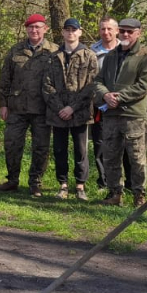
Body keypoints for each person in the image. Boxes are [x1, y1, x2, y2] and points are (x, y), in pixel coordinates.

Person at [93, 17, 147, 208]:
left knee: (136, 157)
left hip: (133, 115)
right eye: (123, 31)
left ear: (138, 33)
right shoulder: (111, 55)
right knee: (111, 155)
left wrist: (118, 97)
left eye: (130, 31)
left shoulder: (146, 56)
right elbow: (97, 81)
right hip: (111, 115)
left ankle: (139, 195)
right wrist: (105, 95)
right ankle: (114, 193)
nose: (125, 35)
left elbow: (145, 85)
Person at [0, 13, 59, 196]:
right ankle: (12, 180)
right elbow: (4, 79)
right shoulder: (15, 50)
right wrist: (3, 104)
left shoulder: (54, 51)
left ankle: (35, 182)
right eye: (31, 27)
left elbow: (59, 81)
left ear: (45, 29)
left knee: (41, 147)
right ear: (26, 29)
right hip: (17, 107)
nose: (34, 30)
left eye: (38, 27)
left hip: (42, 108)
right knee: (12, 144)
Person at [43, 18, 100, 202]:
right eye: (67, 30)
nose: (70, 33)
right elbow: (47, 86)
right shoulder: (53, 57)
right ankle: (63, 185)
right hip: (57, 113)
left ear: (80, 32)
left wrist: (72, 107)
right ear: (63, 33)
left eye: (73, 30)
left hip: (80, 113)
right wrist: (61, 108)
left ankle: (80, 186)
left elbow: (91, 86)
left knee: (80, 150)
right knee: (59, 149)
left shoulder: (89, 56)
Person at [89, 15, 120, 188]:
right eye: (102, 29)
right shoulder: (91, 51)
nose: (106, 32)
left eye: (109, 29)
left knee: (123, 145)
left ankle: (123, 183)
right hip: (99, 105)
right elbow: (89, 80)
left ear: (117, 31)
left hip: (121, 105)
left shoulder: (126, 50)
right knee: (100, 144)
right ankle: (104, 183)